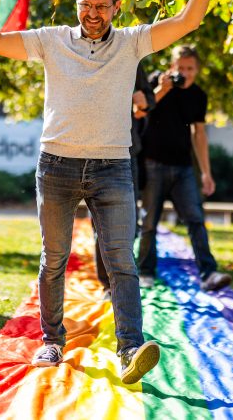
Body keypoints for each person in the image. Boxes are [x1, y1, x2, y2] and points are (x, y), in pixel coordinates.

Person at [0, 0, 222, 385]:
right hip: (57, 164)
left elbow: (186, 22)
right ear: (76, 3)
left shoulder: (132, 42)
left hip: (112, 167)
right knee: (54, 259)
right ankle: (51, 340)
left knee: (122, 259)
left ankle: (129, 350)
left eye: (101, 6)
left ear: (116, 7)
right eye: (85, 5)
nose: (92, 13)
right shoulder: (51, 39)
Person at [137, 45, 233, 292]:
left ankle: (209, 274)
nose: (185, 73)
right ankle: (145, 272)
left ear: (197, 70)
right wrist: (162, 89)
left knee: (196, 219)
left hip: (183, 168)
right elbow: (140, 111)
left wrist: (206, 172)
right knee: (148, 222)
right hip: (153, 164)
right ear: (172, 67)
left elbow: (199, 134)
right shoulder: (157, 82)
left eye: (190, 69)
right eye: (180, 68)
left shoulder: (199, 96)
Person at [95, 63, 153, 300]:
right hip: (93, 149)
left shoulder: (130, 56)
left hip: (127, 151)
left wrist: (144, 101)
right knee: (100, 224)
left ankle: (125, 283)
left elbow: (148, 100)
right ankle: (108, 285)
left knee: (129, 222)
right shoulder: (82, 53)